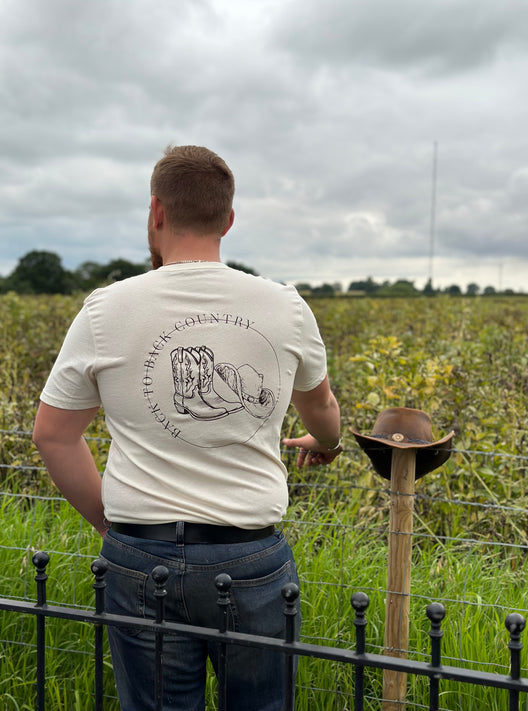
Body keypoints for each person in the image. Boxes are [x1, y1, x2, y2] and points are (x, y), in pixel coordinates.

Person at [33, 145, 342, 711]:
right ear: (228, 220)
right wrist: (326, 443)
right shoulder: (285, 307)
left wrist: (113, 522)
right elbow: (321, 407)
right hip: (249, 557)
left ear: (155, 212)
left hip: (138, 553)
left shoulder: (104, 310)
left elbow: (53, 434)